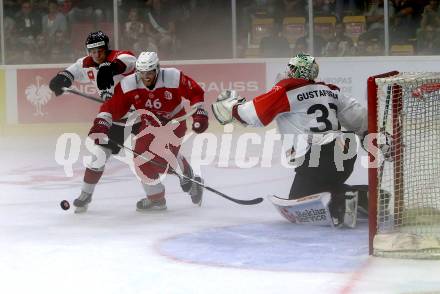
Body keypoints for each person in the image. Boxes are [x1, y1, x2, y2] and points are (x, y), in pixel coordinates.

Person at [211, 53, 368, 227]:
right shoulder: (331, 91)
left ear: (292, 70)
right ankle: (367, 195)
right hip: (345, 151)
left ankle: (343, 201)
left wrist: (233, 108)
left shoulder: (287, 90)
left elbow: (253, 114)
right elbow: (360, 119)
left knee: (301, 199)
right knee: (325, 186)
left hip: (317, 155)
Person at [87, 51, 208, 211]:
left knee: (160, 161)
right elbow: (112, 106)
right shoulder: (129, 84)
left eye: (150, 72)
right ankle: (156, 198)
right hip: (149, 125)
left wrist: (199, 113)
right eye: (142, 73)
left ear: (157, 68)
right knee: (140, 160)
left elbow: (195, 92)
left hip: (174, 123)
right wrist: (102, 123)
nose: (146, 77)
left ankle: (187, 172)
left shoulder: (172, 76)